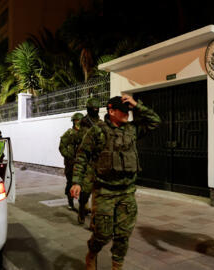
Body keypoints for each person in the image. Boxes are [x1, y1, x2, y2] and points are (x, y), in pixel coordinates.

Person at [70, 94, 161, 270]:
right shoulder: (97, 131)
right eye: (123, 111)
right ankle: (92, 253)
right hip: (105, 191)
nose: (127, 114)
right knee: (103, 234)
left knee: (123, 234)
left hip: (127, 191)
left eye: (128, 111)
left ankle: (117, 266)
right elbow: (82, 156)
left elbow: (155, 121)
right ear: (111, 111)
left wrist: (136, 105)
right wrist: (76, 182)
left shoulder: (132, 129)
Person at [76, 97, 103, 225]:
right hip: (87, 162)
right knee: (85, 191)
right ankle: (81, 209)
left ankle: (94, 221)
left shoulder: (101, 123)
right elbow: (80, 141)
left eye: (97, 108)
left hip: (99, 162)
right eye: (93, 108)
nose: (95, 110)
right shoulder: (83, 123)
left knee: (98, 194)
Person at [59, 112, 84, 210]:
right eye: (76, 121)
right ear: (73, 122)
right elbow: (62, 147)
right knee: (70, 182)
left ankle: (83, 205)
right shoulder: (69, 133)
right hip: (70, 163)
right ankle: (70, 203)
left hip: (82, 163)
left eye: (79, 121)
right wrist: (68, 156)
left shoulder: (85, 133)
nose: (78, 123)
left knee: (83, 184)